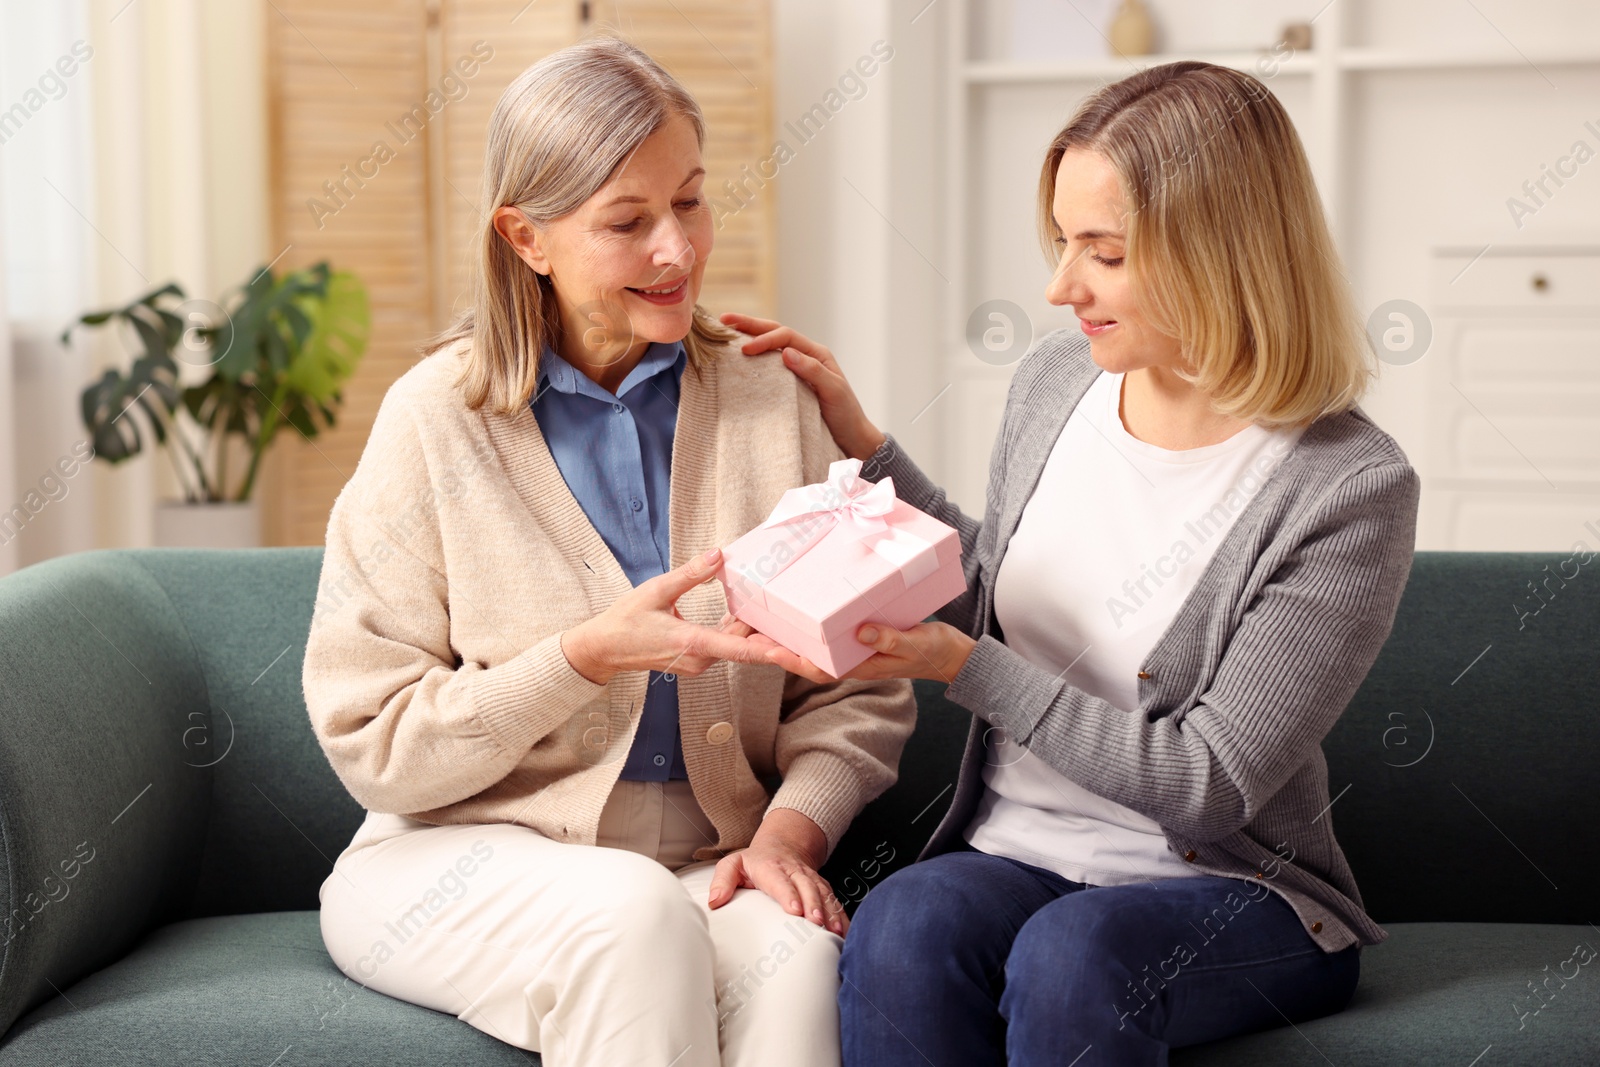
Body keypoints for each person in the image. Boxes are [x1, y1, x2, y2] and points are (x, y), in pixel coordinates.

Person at [725, 60, 1420, 1064]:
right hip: (1019, 851)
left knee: (1073, 956)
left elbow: (1209, 784)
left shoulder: (1346, 485)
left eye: (1103, 251)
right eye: (1062, 244)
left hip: (1227, 890)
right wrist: (860, 439)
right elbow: (985, 587)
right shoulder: (1058, 379)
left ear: (1221, 251)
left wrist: (959, 668)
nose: (1060, 287)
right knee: (907, 919)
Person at [303, 36, 914, 1067]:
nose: (677, 250)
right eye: (628, 222)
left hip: (706, 861)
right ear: (526, 237)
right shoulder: (432, 423)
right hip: (448, 855)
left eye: (690, 200)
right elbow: (375, 741)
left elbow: (859, 685)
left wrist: (788, 833)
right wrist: (581, 658)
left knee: (800, 958)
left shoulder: (771, 400)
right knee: (630, 916)